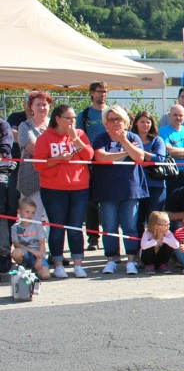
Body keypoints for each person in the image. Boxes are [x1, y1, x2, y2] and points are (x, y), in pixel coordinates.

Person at [34, 104, 93, 279]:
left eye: (74, 118)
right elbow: (38, 164)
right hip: (53, 189)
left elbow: (89, 156)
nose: (72, 121)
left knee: (75, 228)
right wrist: (59, 159)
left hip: (79, 188)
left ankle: (78, 264)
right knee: (57, 227)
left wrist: (76, 139)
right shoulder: (45, 137)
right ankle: (58, 263)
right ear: (57, 118)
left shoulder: (80, 134)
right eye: (68, 118)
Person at [90, 105, 148, 275]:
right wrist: (124, 154)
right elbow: (100, 157)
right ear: (105, 123)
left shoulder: (132, 137)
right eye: (111, 119)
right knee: (109, 225)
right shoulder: (101, 138)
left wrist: (124, 142)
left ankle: (131, 259)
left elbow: (139, 157)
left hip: (130, 189)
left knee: (130, 225)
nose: (115, 122)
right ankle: (111, 259)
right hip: (108, 190)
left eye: (119, 119)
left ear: (126, 121)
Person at [78, 81, 109, 251]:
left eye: (105, 91)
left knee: (108, 204)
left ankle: (111, 239)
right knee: (91, 204)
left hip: (109, 163)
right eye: (99, 91)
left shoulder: (112, 113)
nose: (102, 94)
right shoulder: (83, 115)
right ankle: (93, 238)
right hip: (90, 164)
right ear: (92, 93)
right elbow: (77, 138)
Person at [16, 90, 52, 221]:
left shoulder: (56, 126)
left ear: (49, 106)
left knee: (53, 219)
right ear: (31, 107)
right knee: (31, 218)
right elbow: (34, 149)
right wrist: (55, 154)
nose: (42, 107)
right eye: (38, 104)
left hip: (54, 178)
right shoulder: (25, 126)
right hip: (31, 179)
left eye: (45, 104)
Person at [133, 111, 170, 229]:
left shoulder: (157, 140)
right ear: (136, 124)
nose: (145, 124)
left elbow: (159, 159)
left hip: (156, 185)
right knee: (137, 220)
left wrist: (139, 152)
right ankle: (137, 246)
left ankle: (154, 246)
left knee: (154, 220)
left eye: (148, 122)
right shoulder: (130, 139)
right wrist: (147, 159)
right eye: (142, 122)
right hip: (135, 185)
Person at [11, 196, 51, 280]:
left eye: (33, 212)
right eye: (27, 212)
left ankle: (34, 270)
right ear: (19, 212)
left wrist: (39, 260)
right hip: (24, 252)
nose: (30, 215)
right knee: (16, 253)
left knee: (46, 275)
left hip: (37, 255)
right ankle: (22, 265)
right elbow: (16, 244)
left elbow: (42, 243)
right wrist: (30, 250)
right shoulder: (15, 227)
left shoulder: (37, 225)